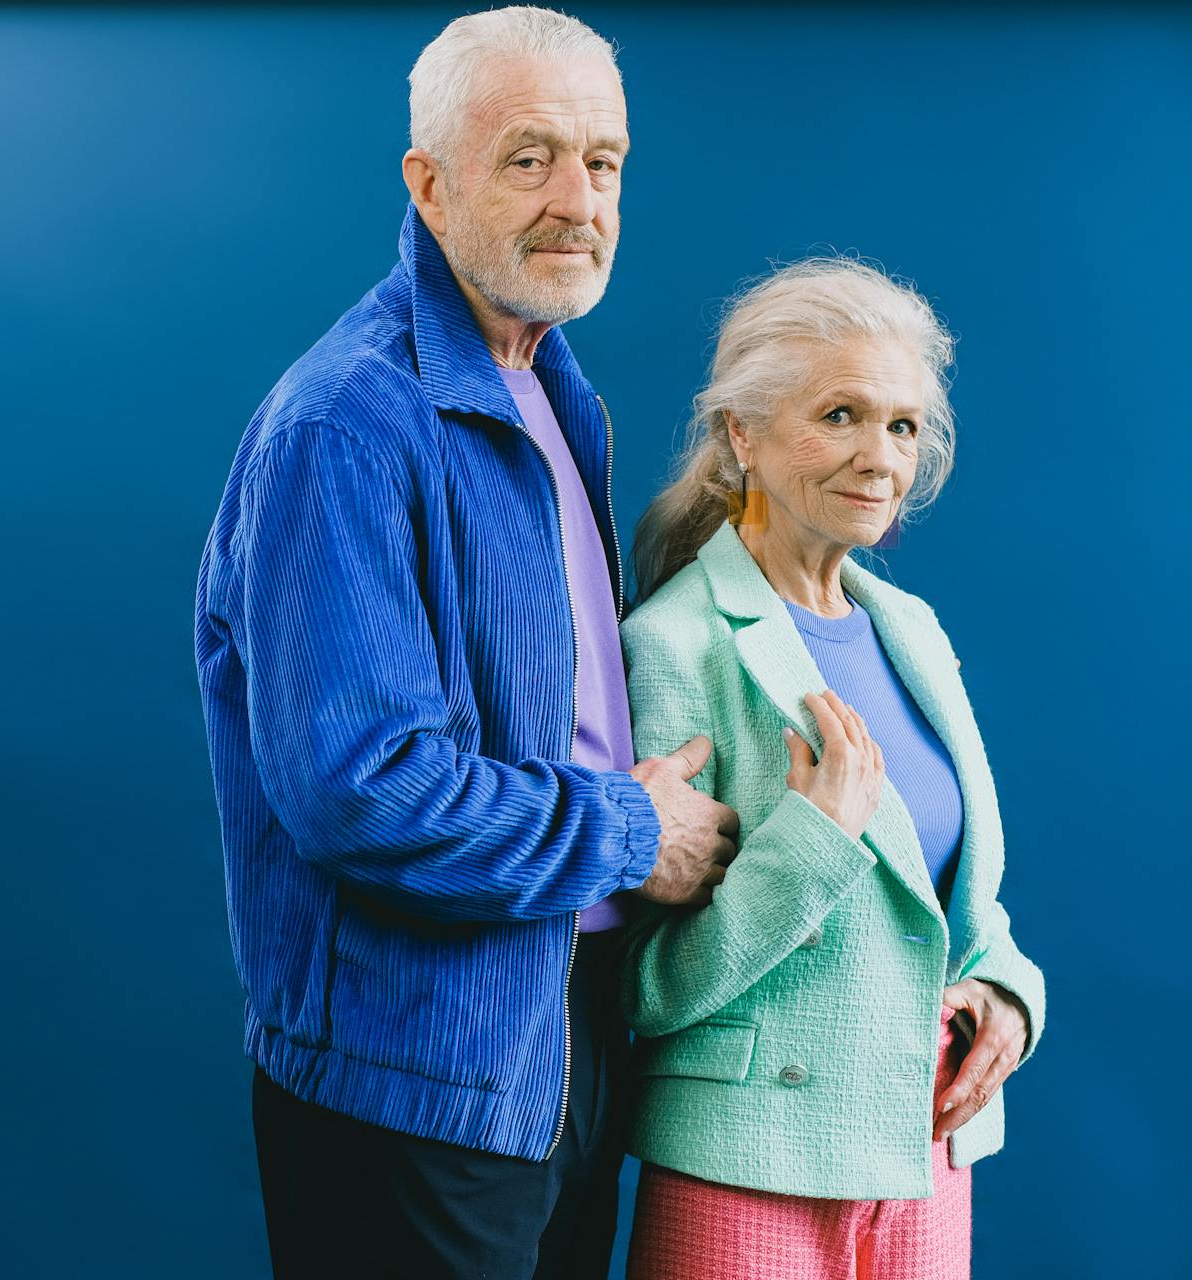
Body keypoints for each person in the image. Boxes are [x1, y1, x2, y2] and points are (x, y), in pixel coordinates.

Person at [192, 8, 739, 1277]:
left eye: (604, 162)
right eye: (531, 156)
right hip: (415, 1078)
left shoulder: (551, 388)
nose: (579, 200)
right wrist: (631, 832)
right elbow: (364, 789)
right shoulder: (346, 423)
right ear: (427, 186)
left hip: (568, 1039)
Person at [616, 258, 1047, 1279]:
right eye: (841, 414)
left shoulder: (913, 631)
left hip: (926, 1160)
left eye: (901, 425)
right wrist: (808, 844)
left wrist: (1009, 996)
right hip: (746, 1169)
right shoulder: (672, 646)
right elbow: (628, 990)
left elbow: (962, 901)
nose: (878, 457)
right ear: (742, 434)